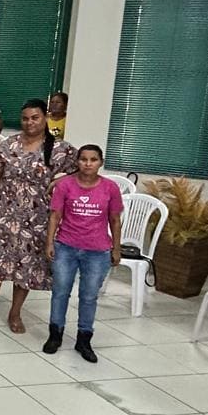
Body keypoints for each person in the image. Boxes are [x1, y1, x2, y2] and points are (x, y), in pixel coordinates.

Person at [0, 99, 77, 333]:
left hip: (37, 218)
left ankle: (15, 314)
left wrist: (60, 180)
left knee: (26, 267)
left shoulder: (61, 149)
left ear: (45, 118)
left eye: (35, 117)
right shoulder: (8, 145)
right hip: (3, 213)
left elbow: (80, 169)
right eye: (25, 118)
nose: (29, 122)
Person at [43, 144, 122, 363]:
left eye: (93, 160)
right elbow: (55, 215)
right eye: (83, 159)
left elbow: (115, 220)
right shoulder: (65, 185)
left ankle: (84, 338)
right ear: (77, 162)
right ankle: (55, 334)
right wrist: (50, 242)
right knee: (60, 292)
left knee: (88, 296)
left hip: (97, 251)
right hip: (66, 247)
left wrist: (116, 247)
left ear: (101, 162)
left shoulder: (110, 188)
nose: (88, 164)